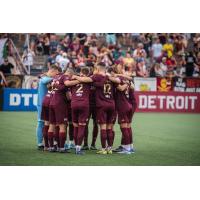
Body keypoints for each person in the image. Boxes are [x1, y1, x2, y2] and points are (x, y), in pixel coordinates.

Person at [73, 62, 120, 154]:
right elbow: (118, 81)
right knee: (110, 127)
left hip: (100, 104)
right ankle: (109, 148)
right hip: (111, 104)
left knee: (102, 126)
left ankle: (103, 149)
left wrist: (76, 77)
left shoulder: (96, 76)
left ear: (98, 69)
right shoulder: (110, 77)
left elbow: (86, 80)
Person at [36, 65, 59, 150]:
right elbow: (44, 80)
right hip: (42, 104)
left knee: (48, 123)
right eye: (56, 73)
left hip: (48, 104)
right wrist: (58, 78)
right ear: (53, 71)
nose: (56, 75)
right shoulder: (44, 78)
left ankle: (49, 143)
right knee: (41, 123)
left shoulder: (45, 77)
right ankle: (39, 143)